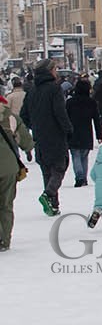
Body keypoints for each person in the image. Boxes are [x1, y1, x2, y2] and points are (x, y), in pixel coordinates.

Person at [20, 60, 71, 216]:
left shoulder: (31, 90)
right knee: (60, 166)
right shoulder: (54, 89)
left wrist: (35, 125)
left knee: (46, 170)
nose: (56, 72)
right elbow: (60, 112)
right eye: (55, 69)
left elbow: (23, 115)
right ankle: (48, 195)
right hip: (55, 135)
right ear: (49, 71)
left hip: (39, 136)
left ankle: (53, 205)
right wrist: (68, 129)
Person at [0, 92, 33, 251]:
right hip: (8, 167)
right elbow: (26, 141)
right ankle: (4, 240)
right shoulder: (10, 117)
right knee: (6, 205)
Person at [65, 78, 97, 188]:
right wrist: (99, 134)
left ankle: (79, 177)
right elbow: (96, 118)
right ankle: (84, 177)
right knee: (84, 156)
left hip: (73, 132)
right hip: (87, 132)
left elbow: (65, 117)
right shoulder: (91, 102)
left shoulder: (70, 102)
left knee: (76, 155)